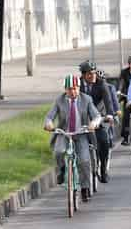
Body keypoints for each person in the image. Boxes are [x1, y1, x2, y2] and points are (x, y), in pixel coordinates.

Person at [44, 74, 101, 202]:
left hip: (81, 134)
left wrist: (93, 123)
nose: (72, 91)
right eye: (69, 89)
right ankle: (62, 170)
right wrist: (49, 124)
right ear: (65, 89)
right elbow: (49, 116)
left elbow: (96, 115)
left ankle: (85, 188)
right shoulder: (59, 100)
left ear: (79, 88)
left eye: (75, 88)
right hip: (64, 133)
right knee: (59, 152)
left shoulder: (87, 99)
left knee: (84, 161)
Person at [79, 61, 114, 183]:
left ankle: (103, 170)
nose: (93, 76)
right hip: (82, 120)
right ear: (83, 75)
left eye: (94, 73)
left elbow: (108, 100)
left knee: (104, 141)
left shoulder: (101, 83)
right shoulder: (77, 85)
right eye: (89, 74)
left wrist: (109, 114)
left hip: (99, 118)